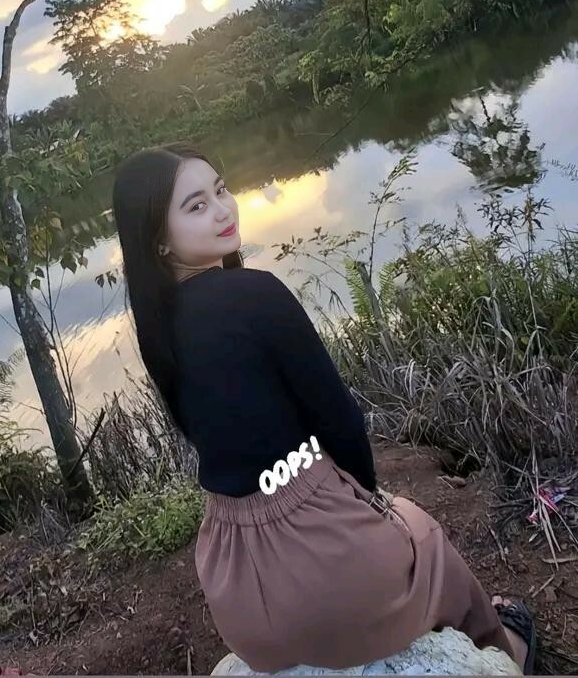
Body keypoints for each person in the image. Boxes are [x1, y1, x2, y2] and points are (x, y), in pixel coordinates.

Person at [112, 141, 537, 675]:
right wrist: (369, 502)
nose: (222, 210)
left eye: (221, 190)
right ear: (158, 239)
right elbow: (340, 421)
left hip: (236, 587)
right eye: (196, 206)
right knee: (423, 536)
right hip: (322, 565)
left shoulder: (157, 328)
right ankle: (505, 649)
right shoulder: (255, 293)